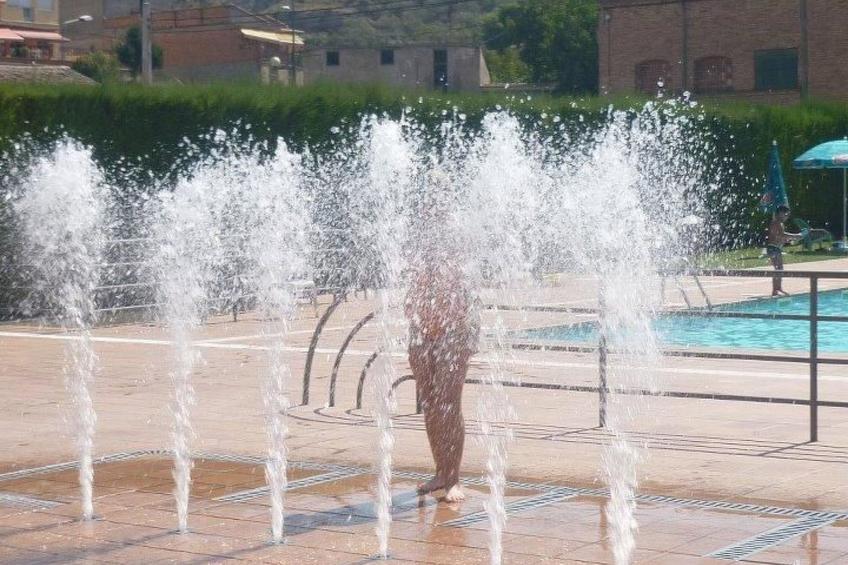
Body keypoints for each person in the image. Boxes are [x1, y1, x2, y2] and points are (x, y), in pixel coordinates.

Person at [404, 218, 479, 504]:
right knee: (431, 402)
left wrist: (449, 324)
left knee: (449, 401)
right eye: (427, 205)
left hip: (455, 329)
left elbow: (465, 289)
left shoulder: (458, 239)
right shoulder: (417, 241)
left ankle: (453, 478)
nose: (431, 210)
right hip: (421, 328)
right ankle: (440, 471)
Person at [767, 205, 802, 296]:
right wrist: (795, 236)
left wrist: (789, 240)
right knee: (778, 269)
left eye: (788, 215)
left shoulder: (780, 224)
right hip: (773, 248)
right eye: (786, 214)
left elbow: (780, 237)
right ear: (780, 213)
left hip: (776, 248)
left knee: (780, 269)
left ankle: (778, 288)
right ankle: (775, 290)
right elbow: (781, 235)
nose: (787, 217)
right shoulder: (775, 223)